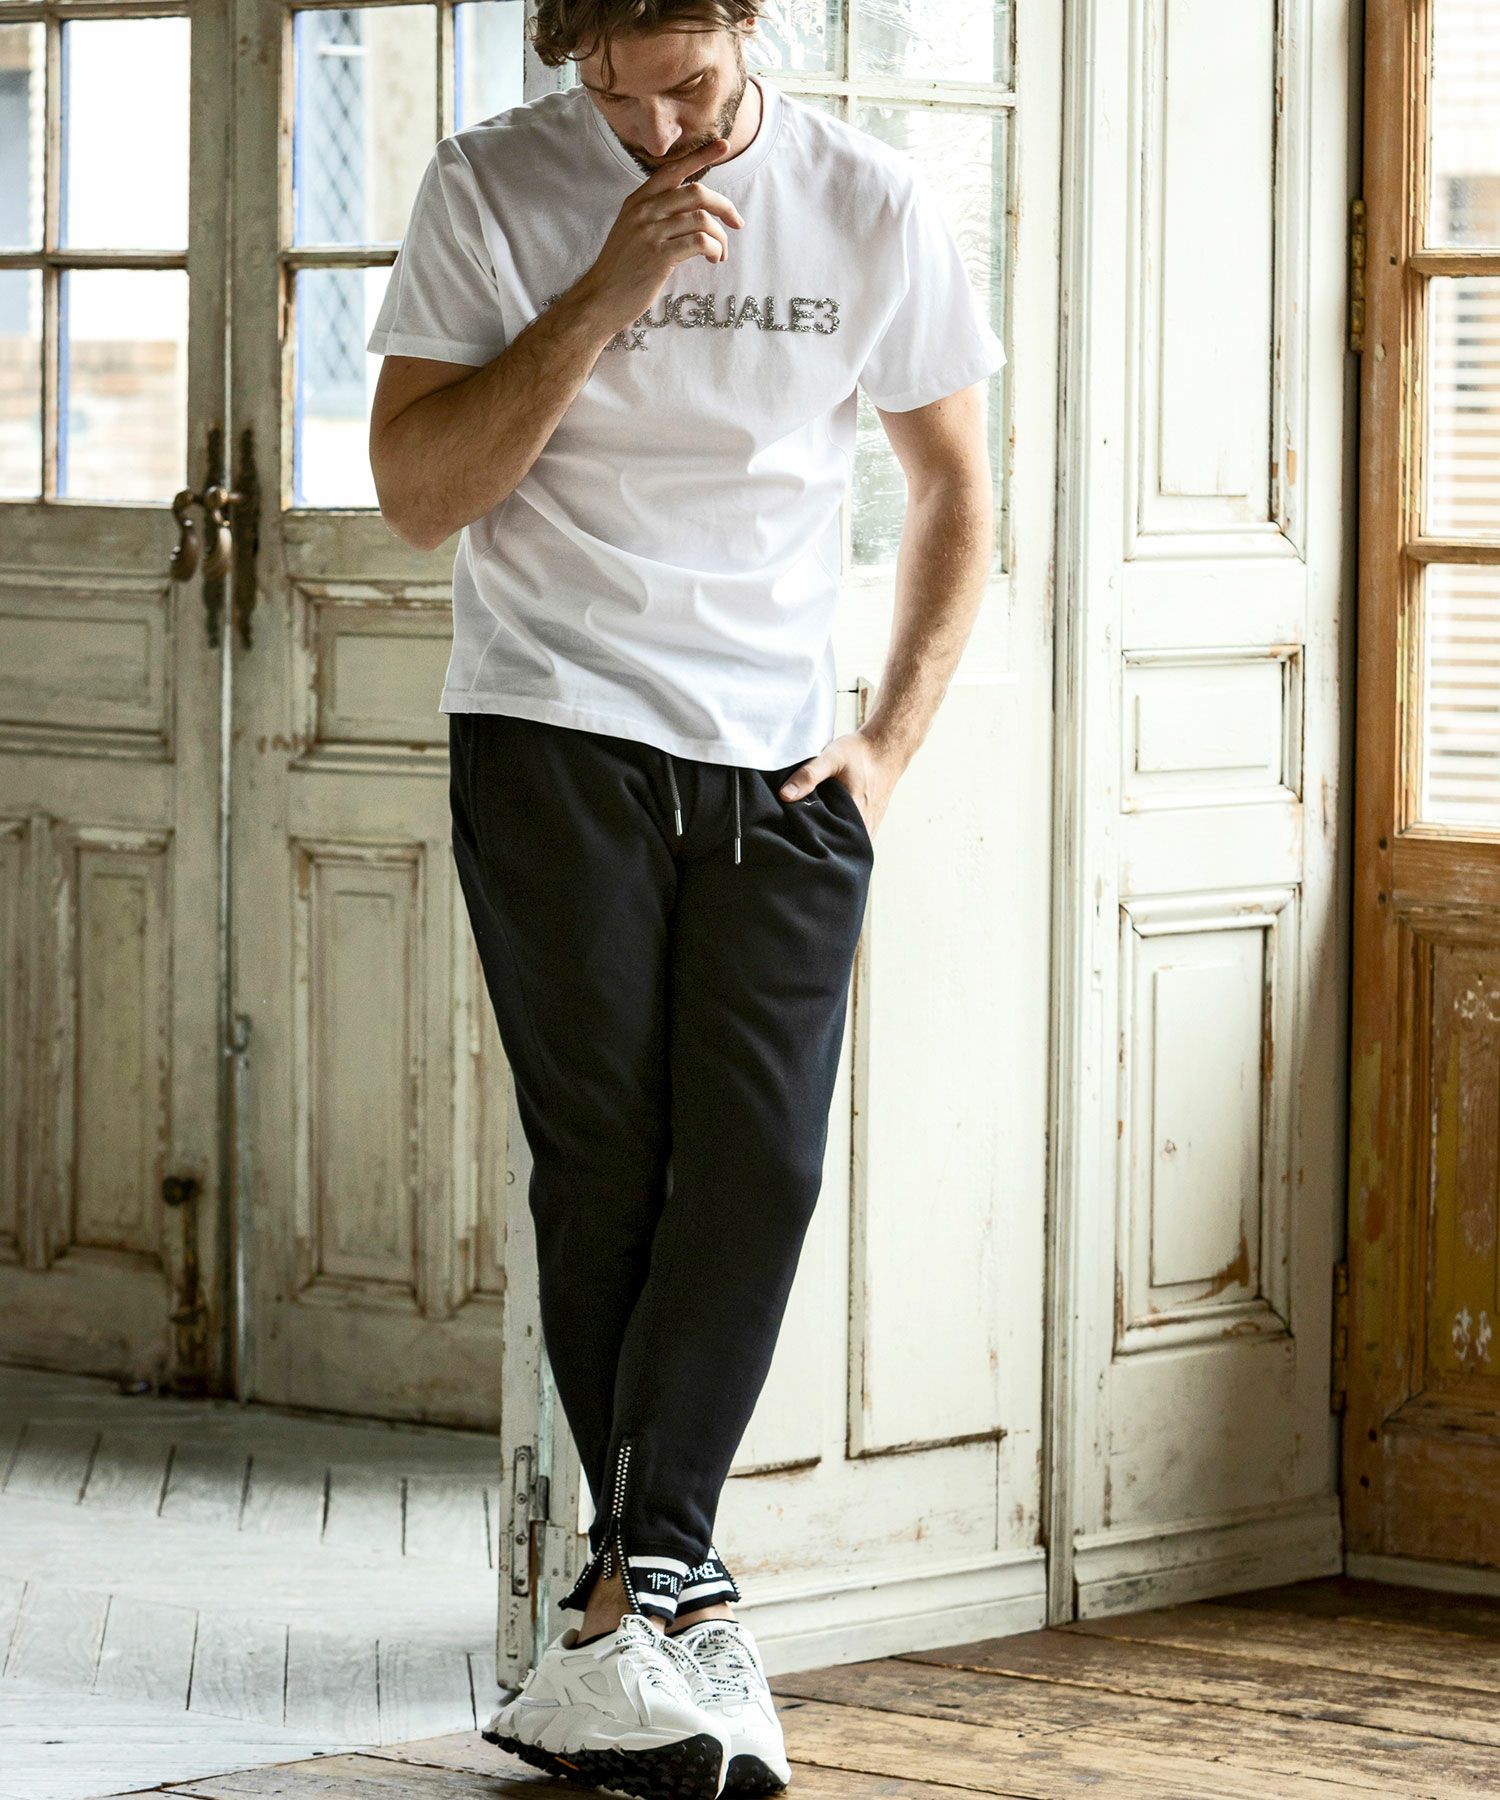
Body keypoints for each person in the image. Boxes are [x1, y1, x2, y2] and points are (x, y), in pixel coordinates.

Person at [366, 2, 1004, 1793]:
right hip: (552, 724)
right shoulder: (489, 188)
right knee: (611, 1162)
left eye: (690, 88)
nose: (654, 130)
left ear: (749, 26)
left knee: (761, 1164)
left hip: (782, 757)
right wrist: (606, 288)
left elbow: (955, 490)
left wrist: (886, 748)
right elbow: (418, 494)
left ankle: (629, 1603)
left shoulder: (868, 201)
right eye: (612, 94)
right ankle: (663, 1601)